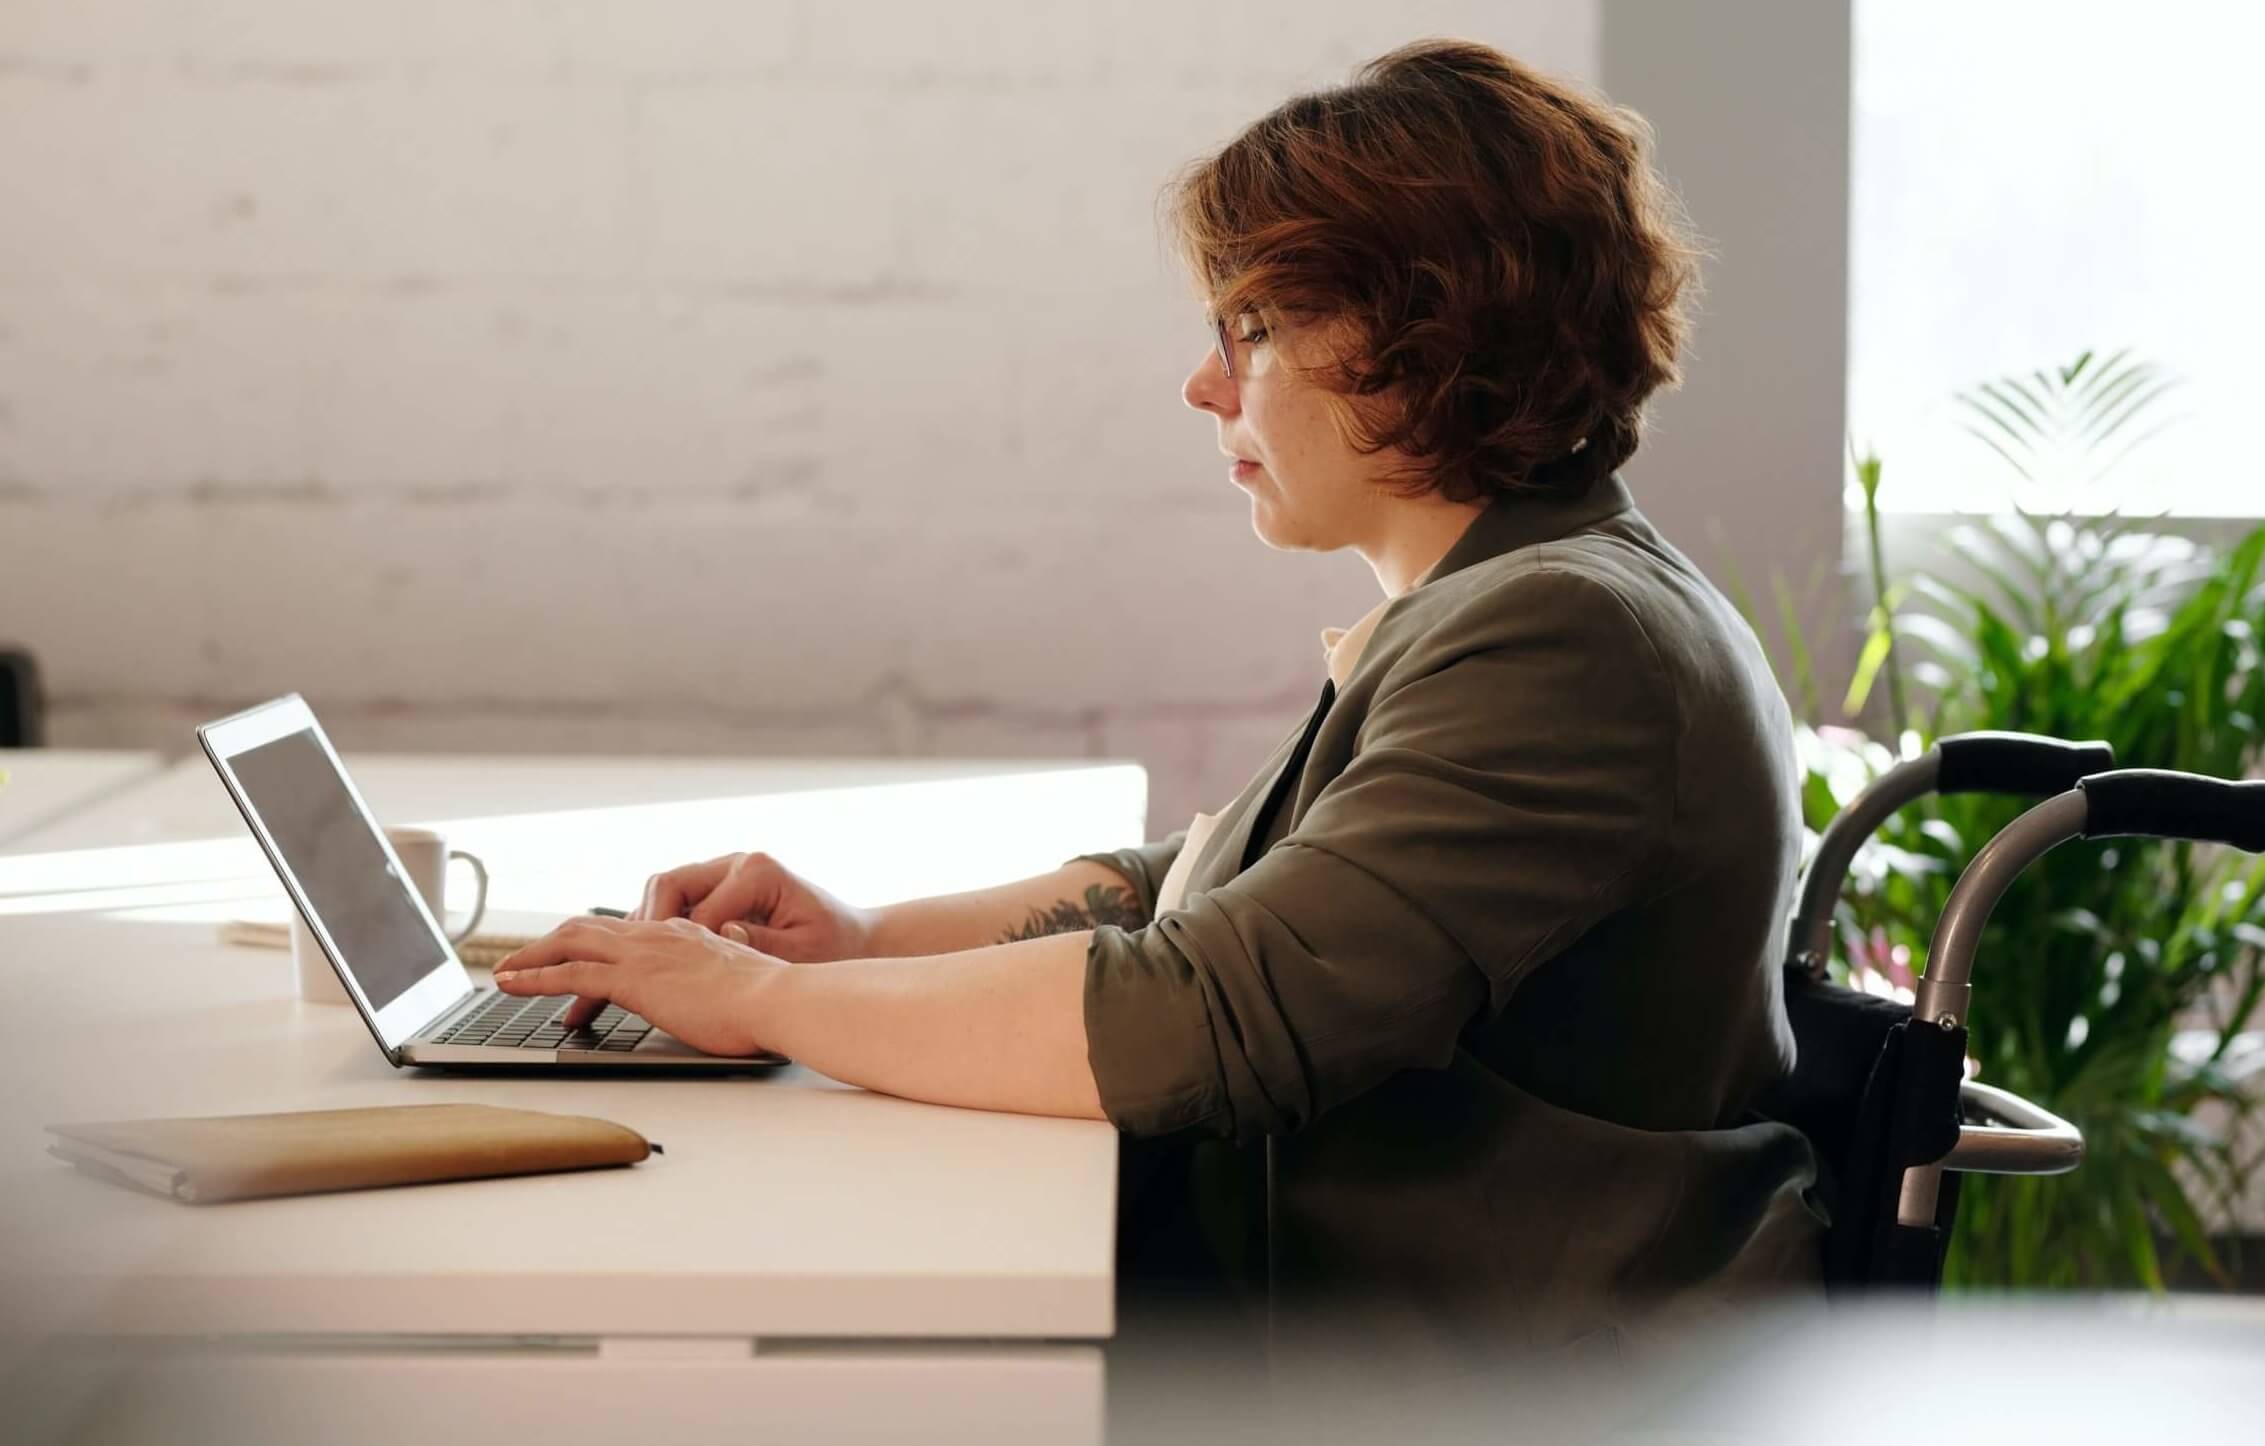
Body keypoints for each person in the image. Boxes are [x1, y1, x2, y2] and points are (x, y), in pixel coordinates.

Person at [494, 38, 1822, 1379]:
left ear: (1420, 337)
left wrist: (765, 1004)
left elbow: (1212, 1011)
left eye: (1251, 331)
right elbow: (1203, 884)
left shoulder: (1566, 639)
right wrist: (851, 942)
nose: (1203, 385)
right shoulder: (1522, 594)